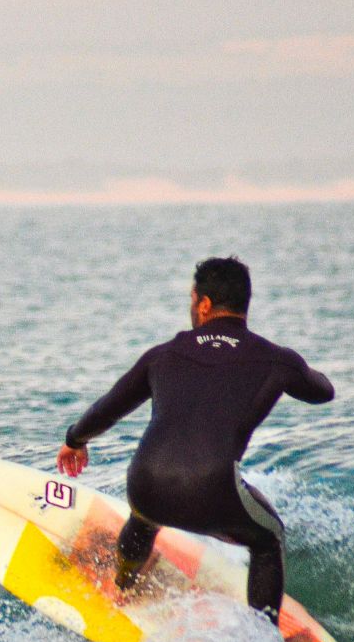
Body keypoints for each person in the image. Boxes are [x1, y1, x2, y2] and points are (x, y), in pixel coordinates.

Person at [54, 257, 333, 622]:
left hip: (147, 482)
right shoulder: (275, 360)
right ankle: (261, 633)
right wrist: (295, 371)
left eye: (192, 299)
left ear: (203, 304)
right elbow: (322, 392)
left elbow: (109, 408)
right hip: (213, 491)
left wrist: (74, 440)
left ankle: (121, 587)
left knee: (143, 519)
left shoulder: (162, 355)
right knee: (268, 540)